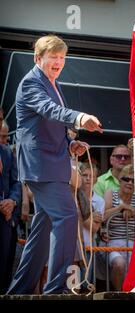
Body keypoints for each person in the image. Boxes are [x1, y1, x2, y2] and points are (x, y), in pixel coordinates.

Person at [8, 35, 103, 295]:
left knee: (43, 229)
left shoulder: (51, 82)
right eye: (53, 57)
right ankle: (56, 287)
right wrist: (80, 117)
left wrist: (70, 143)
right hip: (41, 165)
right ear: (38, 58)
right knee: (67, 216)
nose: (59, 62)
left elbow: (49, 123)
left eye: (62, 58)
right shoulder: (31, 83)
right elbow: (50, 110)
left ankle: (20, 290)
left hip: (50, 163)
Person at [102, 164, 135, 290]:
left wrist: (132, 210)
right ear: (119, 180)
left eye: (133, 180)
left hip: (133, 245)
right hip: (112, 244)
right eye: (126, 179)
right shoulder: (111, 194)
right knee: (119, 264)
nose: (130, 182)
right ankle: (119, 294)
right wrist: (120, 208)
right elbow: (103, 216)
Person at [0, 108, 22, 294]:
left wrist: (12, 201)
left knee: (5, 271)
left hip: (5, 221)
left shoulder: (7, 153)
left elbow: (16, 182)